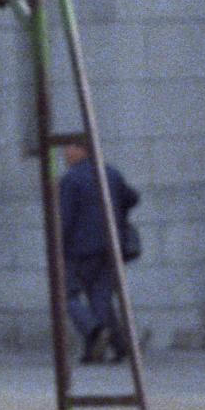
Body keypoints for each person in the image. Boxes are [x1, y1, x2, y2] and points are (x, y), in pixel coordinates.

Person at [57, 133, 140, 364]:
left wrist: (58, 249)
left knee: (66, 294)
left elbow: (65, 219)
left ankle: (93, 331)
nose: (66, 153)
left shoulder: (71, 179)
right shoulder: (110, 173)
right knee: (100, 298)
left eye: (70, 148)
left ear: (83, 150)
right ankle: (118, 345)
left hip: (80, 250)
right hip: (111, 247)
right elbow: (132, 197)